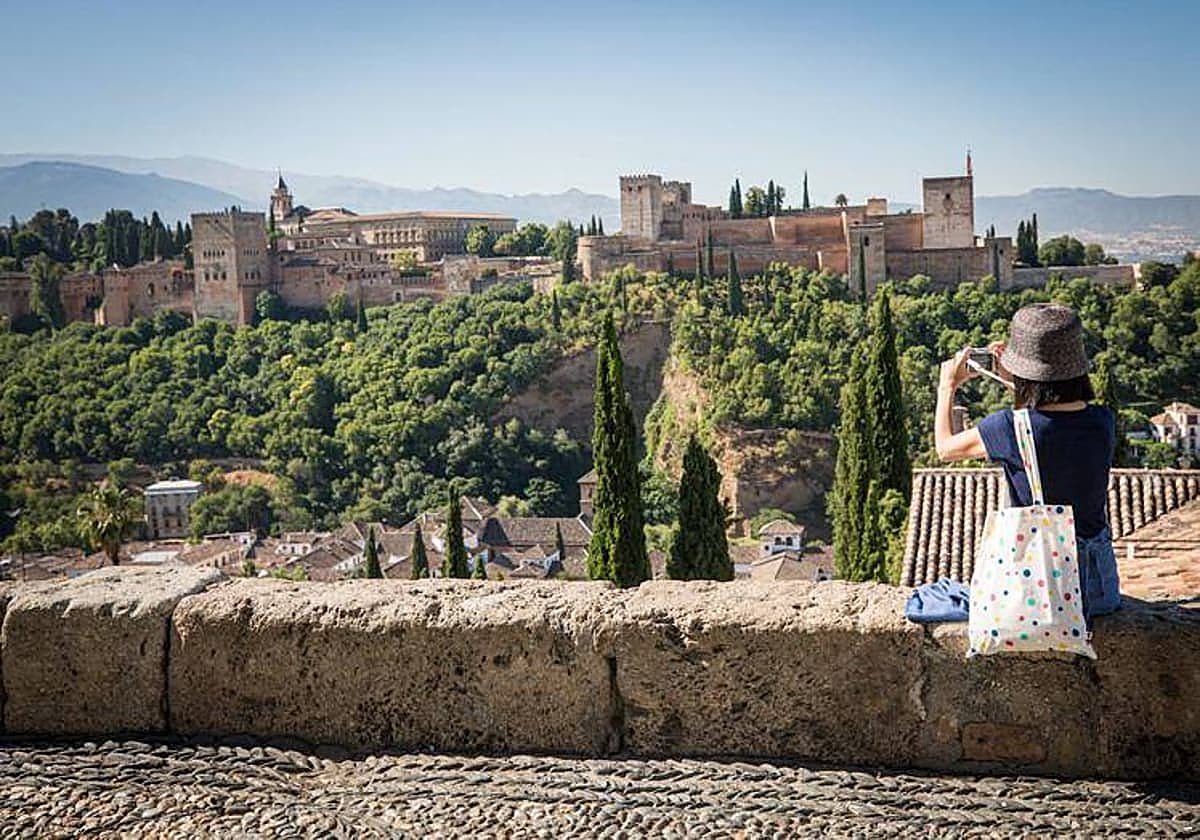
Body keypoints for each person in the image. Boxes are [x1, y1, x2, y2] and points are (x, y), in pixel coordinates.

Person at [933, 302, 1121, 621]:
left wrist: (947, 386)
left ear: (1025, 373)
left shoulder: (1007, 428)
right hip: (1097, 592)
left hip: (1037, 593)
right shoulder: (1103, 420)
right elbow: (1048, 418)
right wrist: (1019, 381)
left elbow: (945, 448)